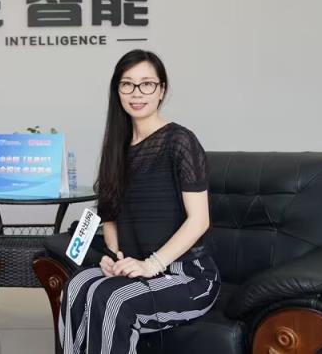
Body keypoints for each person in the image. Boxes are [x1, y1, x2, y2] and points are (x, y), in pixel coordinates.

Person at [60, 50, 220, 354]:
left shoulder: (180, 141)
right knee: (77, 287)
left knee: (113, 300)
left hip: (187, 275)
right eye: (127, 84)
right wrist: (112, 257)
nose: (137, 93)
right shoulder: (116, 149)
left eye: (147, 84)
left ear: (161, 90)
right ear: (117, 91)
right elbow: (110, 215)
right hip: (134, 266)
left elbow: (199, 220)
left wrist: (152, 264)